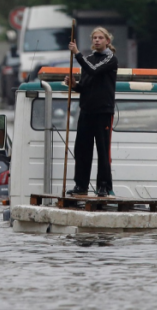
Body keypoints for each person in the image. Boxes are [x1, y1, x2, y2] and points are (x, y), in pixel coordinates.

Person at [64, 27, 118, 197]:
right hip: (86, 109)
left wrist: (77, 53)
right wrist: (74, 85)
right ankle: (81, 185)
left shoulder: (111, 59)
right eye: (94, 37)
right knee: (82, 149)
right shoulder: (87, 59)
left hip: (103, 111)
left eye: (100, 38)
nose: (97, 40)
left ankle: (103, 185)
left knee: (102, 150)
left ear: (107, 41)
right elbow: (85, 86)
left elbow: (94, 70)